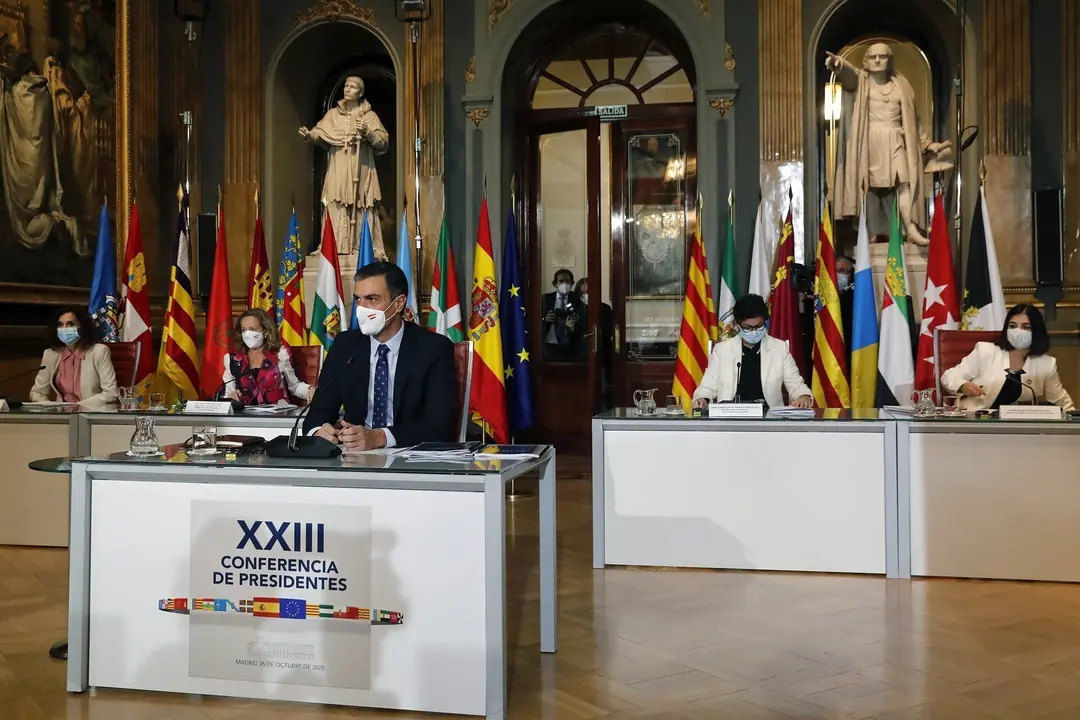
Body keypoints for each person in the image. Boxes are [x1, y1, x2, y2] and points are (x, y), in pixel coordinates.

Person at [303, 261, 458, 449]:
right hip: (354, 458)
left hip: (410, 459)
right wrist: (319, 431)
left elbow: (439, 427)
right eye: (358, 299)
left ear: (399, 303)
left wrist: (378, 437)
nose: (362, 309)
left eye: (372, 299)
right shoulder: (345, 346)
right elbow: (316, 416)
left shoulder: (433, 349)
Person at [941, 304, 1074, 412]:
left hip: (1016, 430)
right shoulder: (986, 351)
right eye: (1013, 326)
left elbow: (1062, 402)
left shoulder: (1046, 364)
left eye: (1026, 327)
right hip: (975, 422)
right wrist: (963, 386)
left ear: (1037, 332)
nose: (1018, 331)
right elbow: (948, 377)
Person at [691, 294, 813, 410]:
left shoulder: (779, 348)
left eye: (759, 326)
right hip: (729, 417)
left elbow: (796, 385)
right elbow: (707, 387)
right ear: (738, 325)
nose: (754, 331)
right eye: (748, 328)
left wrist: (803, 396)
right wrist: (702, 399)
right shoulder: (722, 350)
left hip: (769, 419)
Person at [222, 309, 312, 406]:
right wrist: (232, 396)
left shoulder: (280, 355)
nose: (247, 334)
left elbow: (294, 386)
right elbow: (228, 394)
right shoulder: (233, 360)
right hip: (245, 416)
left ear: (265, 331)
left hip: (277, 415)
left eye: (252, 329)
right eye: (244, 330)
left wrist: (311, 390)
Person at [30, 306, 118, 404]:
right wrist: (51, 408)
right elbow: (37, 393)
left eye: (70, 324)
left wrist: (77, 407)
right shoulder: (50, 355)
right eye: (60, 325)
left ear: (82, 327)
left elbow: (111, 393)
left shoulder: (99, 352)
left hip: (92, 413)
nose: (64, 329)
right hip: (62, 415)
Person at [542, 268, 586, 360]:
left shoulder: (578, 300)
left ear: (572, 283)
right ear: (555, 283)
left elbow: (584, 324)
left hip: (570, 349)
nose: (564, 284)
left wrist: (572, 328)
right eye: (561, 281)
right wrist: (544, 320)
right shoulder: (545, 299)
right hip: (548, 347)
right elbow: (533, 321)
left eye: (567, 281)